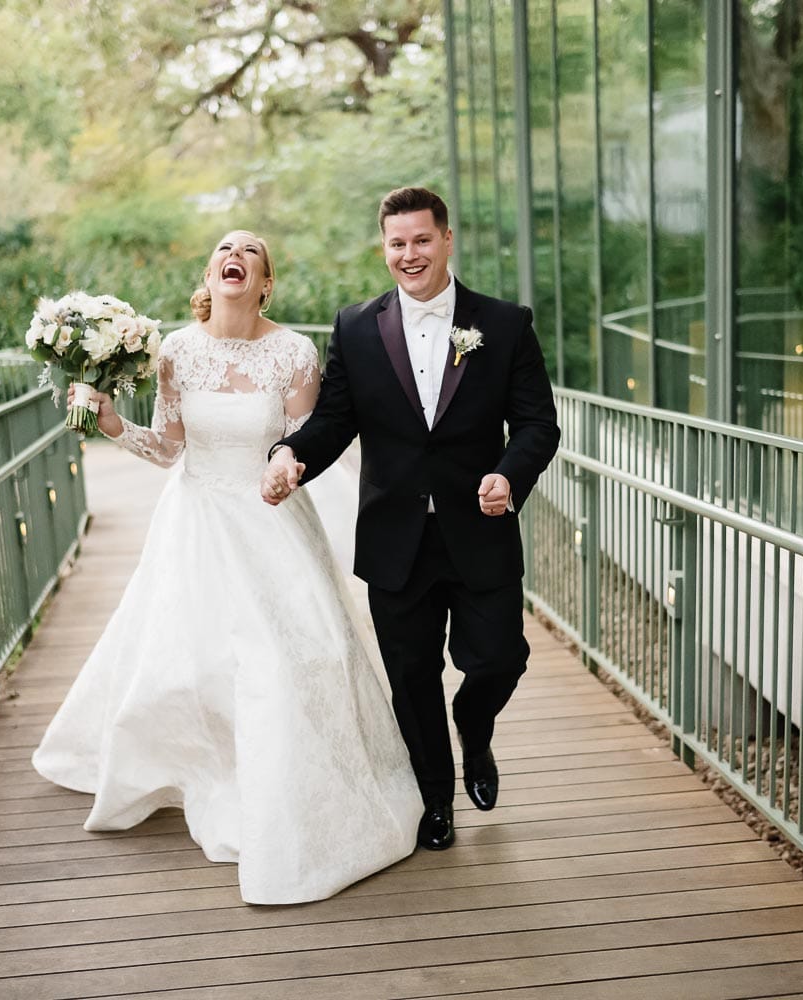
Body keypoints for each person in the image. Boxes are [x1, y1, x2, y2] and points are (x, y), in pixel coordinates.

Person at [31, 230, 422, 905]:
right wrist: (113, 422)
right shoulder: (177, 352)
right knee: (197, 660)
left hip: (272, 520)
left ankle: (290, 789)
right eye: (221, 250)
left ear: (264, 280)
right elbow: (168, 448)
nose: (233, 255)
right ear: (210, 276)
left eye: (249, 251)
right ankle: (214, 769)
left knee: (294, 656)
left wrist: (286, 468)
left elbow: (311, 441)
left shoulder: (293, 352)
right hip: (198, 524)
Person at [263, 186, 561, 851]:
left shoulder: (504, 323)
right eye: (397, 243)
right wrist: (289, 455)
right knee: (411, 677)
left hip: (479, 532)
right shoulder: (356, 327)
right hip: (396, 538)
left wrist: (509, 474)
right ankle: (436, 803)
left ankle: (474, 725)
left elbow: (539, 424)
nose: (410, 254)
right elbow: (335, 422)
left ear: (446, 240)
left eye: (422, 240)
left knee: (499, 659)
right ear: (385, 248)